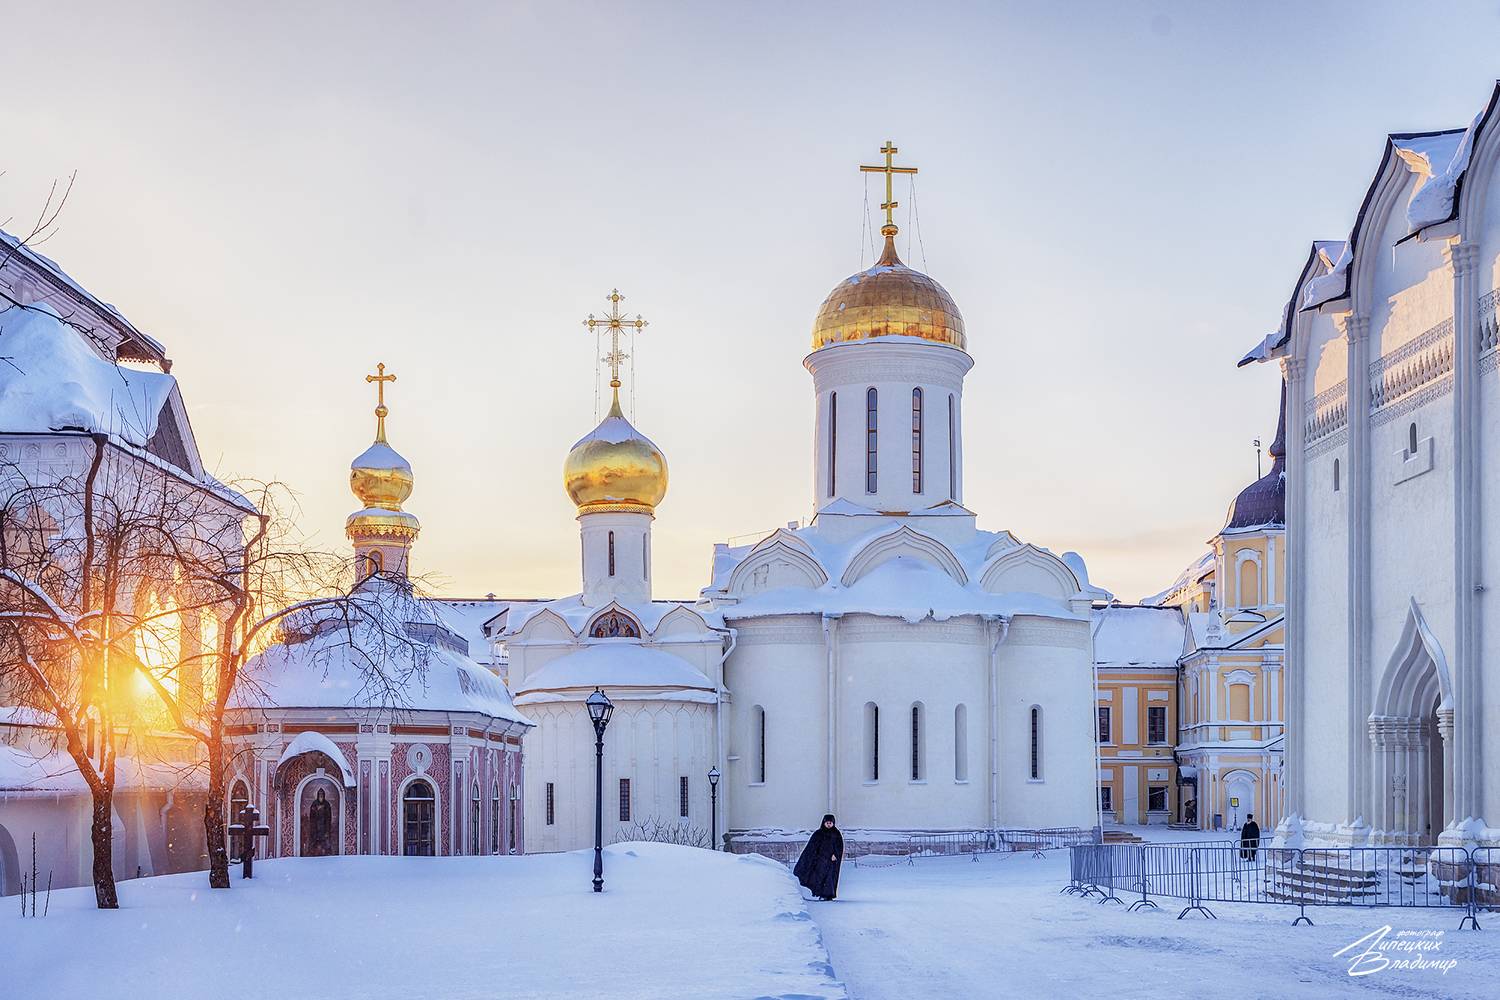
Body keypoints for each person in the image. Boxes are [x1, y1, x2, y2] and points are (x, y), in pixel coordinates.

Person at [794, 814, 844, 900]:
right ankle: (820, 893)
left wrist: (836, 855)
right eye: (827, 822)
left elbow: (840, 846)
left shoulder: (836, 834)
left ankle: (828, 895)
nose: (829, 824)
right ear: (824, 822)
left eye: (830, 823)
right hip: (820, 861)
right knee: (818, 877)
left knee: (829, 878)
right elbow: (811, 847)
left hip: (831, 861)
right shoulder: (819, 833)